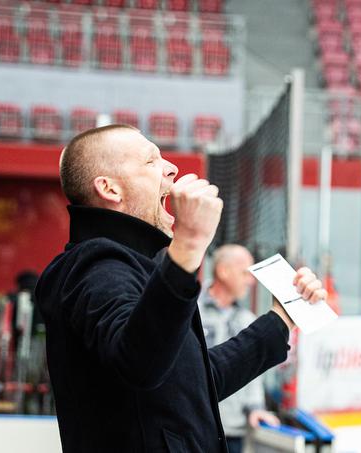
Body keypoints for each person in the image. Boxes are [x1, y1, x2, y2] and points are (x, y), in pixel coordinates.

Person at [35, 124, 327, 453]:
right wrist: (188, 244)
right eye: (150, 162)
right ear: (110, 189)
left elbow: (193, 384)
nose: (171, 168)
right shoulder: (95, 267)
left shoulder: (136, 267)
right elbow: (139, 363)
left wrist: (281, 318)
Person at [199, 244, 281, 453]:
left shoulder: (247, 320)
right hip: (194, 429)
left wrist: (256, 408)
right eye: (245, 273)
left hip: (233, 433)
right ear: (223, 271)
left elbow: (254, 373)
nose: (251, 281)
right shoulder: (191, 310)